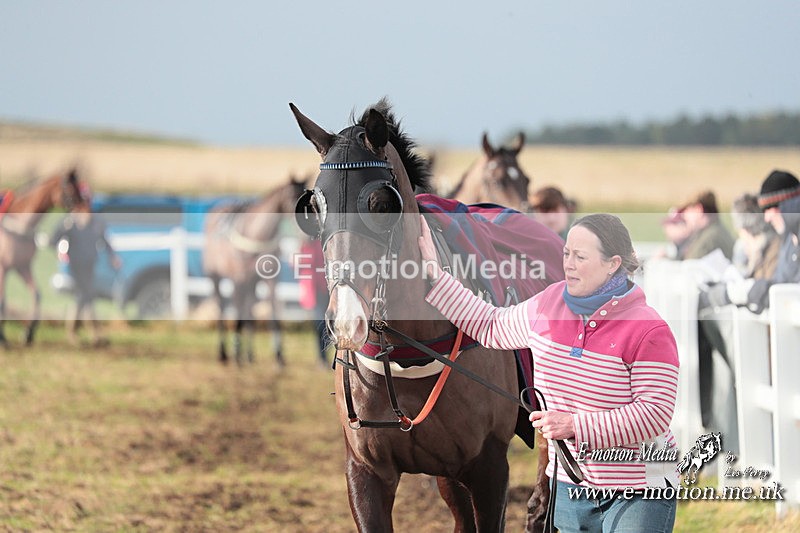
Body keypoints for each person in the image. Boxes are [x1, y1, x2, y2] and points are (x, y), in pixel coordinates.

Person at [418, 213, 679, 533]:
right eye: (566, 253)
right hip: (571, 482)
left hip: (640, 486)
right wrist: (435, 274)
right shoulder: (547, 304)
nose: (568, 264)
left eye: (580, 257)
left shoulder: (649, 329)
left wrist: (573, 425)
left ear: (612, 264)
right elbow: (490, 325)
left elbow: (655, 414)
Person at [50, 197, 121, 346]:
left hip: (89, 265)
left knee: (85, 297)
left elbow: (104, 241)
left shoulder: (95, 223)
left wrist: (113, 256)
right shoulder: (70, 223)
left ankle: (88, 333)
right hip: (76, 266)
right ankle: (85, 333)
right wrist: (62, 251)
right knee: (85, 296)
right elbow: (54, 240)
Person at [298, 238, 330, 367]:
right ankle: (322, 357)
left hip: (326, 289)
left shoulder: (321, 243)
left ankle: (325, 356)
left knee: (327, 324)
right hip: (316, 290)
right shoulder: (307, 245)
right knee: (320, 324)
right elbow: (300, 265)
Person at [679, 190, 735, 260]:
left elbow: (691, 264)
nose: (685, 216)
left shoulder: (711, 237)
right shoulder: (712, 231)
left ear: (699, 209)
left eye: (687, 211)